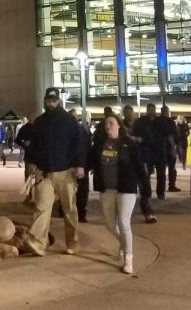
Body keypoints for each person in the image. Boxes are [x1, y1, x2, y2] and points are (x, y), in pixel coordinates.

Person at [24, 87, 87, 256]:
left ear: (59, 100)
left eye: (53, 100)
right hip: (45, 173)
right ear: (45, 101)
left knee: (69, 209)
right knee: (41, 207)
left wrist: (80, 165)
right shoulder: (40, 122)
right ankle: (38, 242)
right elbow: (34, 144)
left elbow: (79, 144)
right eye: (48, 100)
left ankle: (72, 242)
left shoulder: (69, 121)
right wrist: (31, 162)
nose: (50, 103)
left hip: (66, 172)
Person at [89, 113, 147, 274]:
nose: (108, 126)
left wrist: (144, 187)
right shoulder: (100, 144)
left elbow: (139, 166)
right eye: (106, 123)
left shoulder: (128, 143)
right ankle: (123, 243)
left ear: (119, 125)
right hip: (106, 190)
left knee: (123, 222)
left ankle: (128, 258)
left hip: (126, 189)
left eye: (111, 123)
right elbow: (91, 161)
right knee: (109, 224)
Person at [131, 103, 162, 215]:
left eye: (152, 109)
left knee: (160, 174)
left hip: (157, 153)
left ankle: (159, 194)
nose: (151, 111)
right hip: (144, 154)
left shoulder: (159, 121)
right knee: (144, 180)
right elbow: (135, 137)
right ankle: (147, 206)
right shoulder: (141, 122)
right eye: (149, 109)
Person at [69, 108, 92, 223]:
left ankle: (80, 212)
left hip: (78, 165)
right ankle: (78, 212)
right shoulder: (82, 130)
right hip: (74, 166)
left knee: (80, 191)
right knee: (73, 191)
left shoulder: (81, 131)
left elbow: (86, 148)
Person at [159, 106, 182, 192]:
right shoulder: (170, 121)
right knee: (171, 169)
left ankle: (161, 189)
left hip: (160, 149)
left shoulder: (157, 121)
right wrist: (174, 146)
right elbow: (174, 135)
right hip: (169, 147)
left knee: (161, 170)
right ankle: (171, 186)